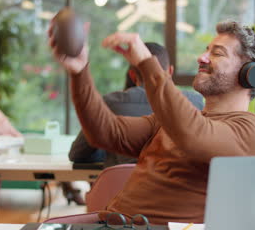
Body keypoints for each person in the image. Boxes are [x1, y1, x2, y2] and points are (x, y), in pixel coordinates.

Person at [48, 21, 255, 224]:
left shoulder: (252, 130)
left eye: (218, 53)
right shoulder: (175, 121)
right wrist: (79, 72)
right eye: (206, 50)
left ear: (249, 74)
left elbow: (194, 136)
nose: (202, 58)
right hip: (114, 222)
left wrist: (147, 63)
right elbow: (106, 132)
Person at [69, 42, 204, 168]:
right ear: (170, 71)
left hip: (118, 189)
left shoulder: (110, 103)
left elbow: (77, 154)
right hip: (173, 189)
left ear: (132, 75)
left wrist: (111, 151)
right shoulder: (195, 103)